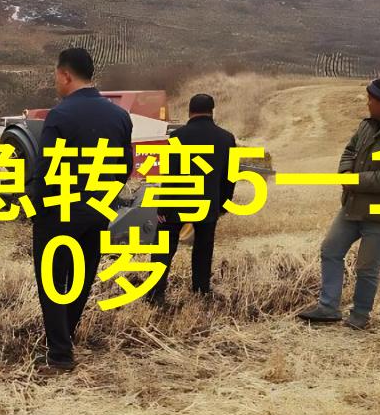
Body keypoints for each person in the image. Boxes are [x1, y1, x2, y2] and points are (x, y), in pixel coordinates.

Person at [298, 73, 380, 330]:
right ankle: (328, 307)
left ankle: (360, 316)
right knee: (330, 250)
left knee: (367, 267)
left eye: (371, 99)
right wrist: (346, 172)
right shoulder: (367, 126)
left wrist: (354, 180)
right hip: (353, 206)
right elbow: (350, 150)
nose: (367, 103)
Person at [32, 48, 133, 373]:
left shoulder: (59, 116)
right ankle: (67, 336)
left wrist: (35, 207)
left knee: (53, 281)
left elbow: (47, 171)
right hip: (98, 211)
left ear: (65, 75)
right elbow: (125, 168)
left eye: (56, 75)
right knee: (81, 278)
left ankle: (60, 355)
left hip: (60, 211)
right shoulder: (119, 116)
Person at [147, 94, 237, 308]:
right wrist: (223, 203)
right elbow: (230, 176)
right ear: (212, 111)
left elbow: (169, 174)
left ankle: (155, 293)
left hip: (176, 202)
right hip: (208, 203)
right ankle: (201, 289)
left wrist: (162, 207)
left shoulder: (177, 136)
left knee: (163, 248)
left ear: (189, 111)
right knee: (203, 248)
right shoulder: (226, 138)